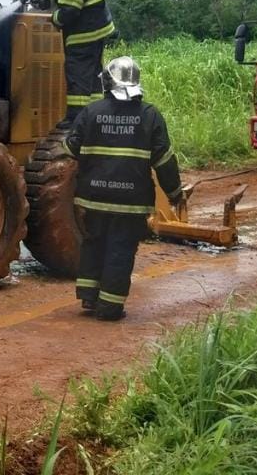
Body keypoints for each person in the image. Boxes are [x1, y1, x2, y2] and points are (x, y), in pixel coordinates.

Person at [61, 56, 183, 321]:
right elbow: (164, 161)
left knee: (94, 243)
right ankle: (110, 307)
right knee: (120, 249)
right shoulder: (150, 115)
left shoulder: (91, 111)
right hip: (131, 200)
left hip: (93, 197)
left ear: (106, 82)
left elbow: (69, 149)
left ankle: (89, 297)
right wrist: (175, 194)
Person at [31, 0, 115, 125]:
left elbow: (68, 13)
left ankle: (76, 119)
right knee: (93, 77)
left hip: (84, 35)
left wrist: (53, 18)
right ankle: (95, 116)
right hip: (96, 31)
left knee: (77, 75)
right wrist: (45, 0)